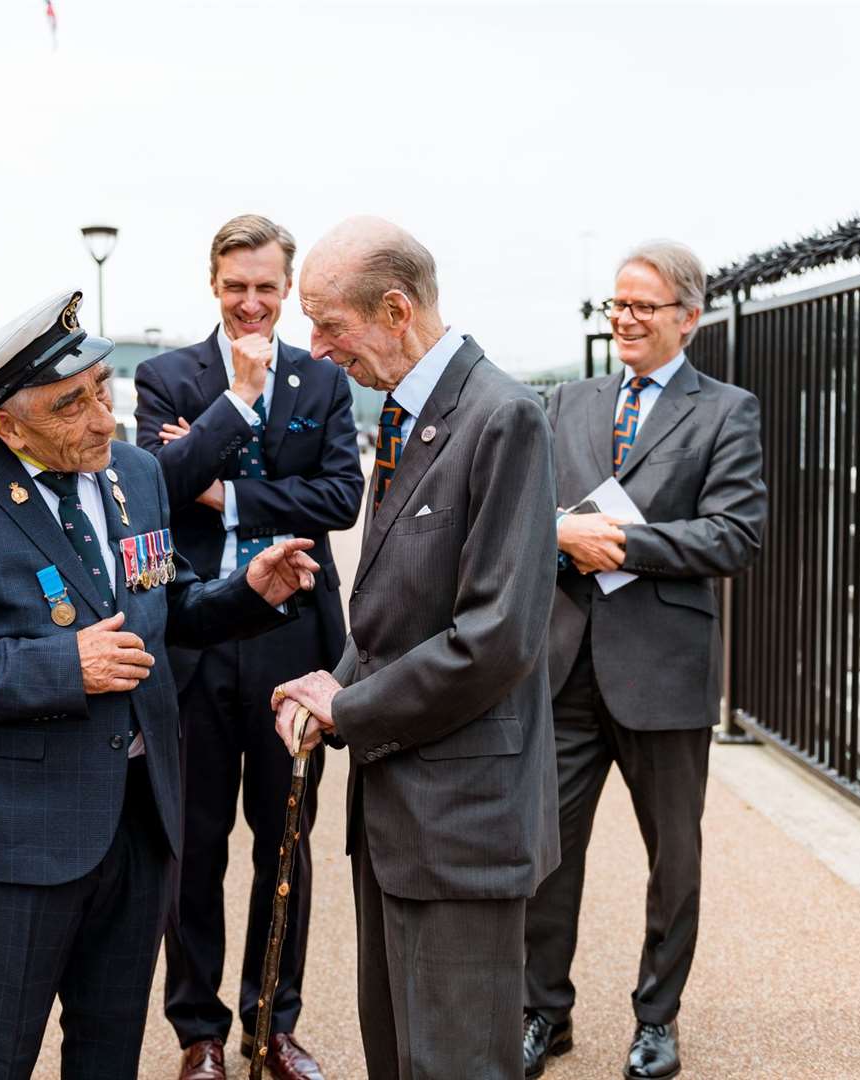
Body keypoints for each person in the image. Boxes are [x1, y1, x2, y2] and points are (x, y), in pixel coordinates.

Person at [0, 289, 322, 1080]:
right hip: (15, 841)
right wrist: (61, 667)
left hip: (139, 824)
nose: (101, 420)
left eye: (102, 391)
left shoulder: (137, 475)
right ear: (7, 425)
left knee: (109, 1055)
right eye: (69, 406)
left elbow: (166, 608)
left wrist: (251, 591)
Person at [271, 216, 559, 1078]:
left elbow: (495, 635)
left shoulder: (502, 417)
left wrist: (350, 708)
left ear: (395, 309)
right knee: (398, 1055)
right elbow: (400, 608)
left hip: (463, 819)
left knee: (456, 1064)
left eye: (329, 324)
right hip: (402, 810)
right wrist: (337, 680)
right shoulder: (410, 412)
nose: (316, 348)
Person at [522, 241, 766, 1080]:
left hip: (663, 672)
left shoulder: (727, 410)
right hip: (562, 667)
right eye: (614, 307)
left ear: (687, 318)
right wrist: (560, 534)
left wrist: (618, 542)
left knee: (675, 859)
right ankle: (541, 1013)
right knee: (546, 853)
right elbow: (529, 512)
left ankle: (656, 1019)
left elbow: (734, 534)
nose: (623, 320)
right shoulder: (568, 402)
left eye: (642, 307)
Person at [135, 214, 361, 1080]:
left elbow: (339, 496)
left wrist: (227, 494)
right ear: (214, 284)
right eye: (238, 287)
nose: (254, 303)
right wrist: (230, 410)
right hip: (193, 638)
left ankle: (275, 1025)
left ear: (288, 286)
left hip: (292, 644)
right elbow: (160, 486)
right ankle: (200, 1033)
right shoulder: (168, 377)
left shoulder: (322, 381)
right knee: (190, 846)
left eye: (269, 287)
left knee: (285, 841)